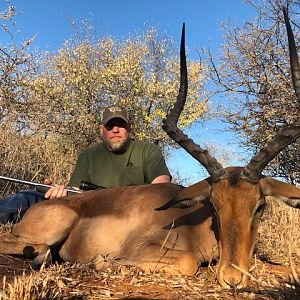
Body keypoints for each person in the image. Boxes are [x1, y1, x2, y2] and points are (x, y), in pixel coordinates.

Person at [0, 105, 171, 224]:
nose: (115, 130)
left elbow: (162, 190)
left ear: (130, 128)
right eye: (110, 125)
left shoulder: (148, 151)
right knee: (27, 197)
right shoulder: (88, 155)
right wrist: (59, 194)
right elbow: (76, 194)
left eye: (121, 124)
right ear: (101, 130)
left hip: (132, 215)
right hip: (91, 211)